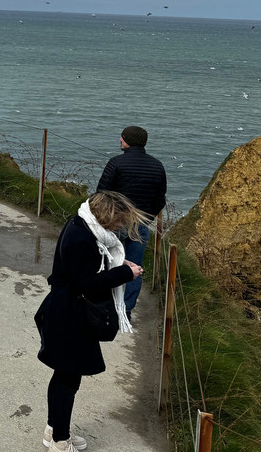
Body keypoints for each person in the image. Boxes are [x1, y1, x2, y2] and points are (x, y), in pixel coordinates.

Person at [35, 191, 149, 452]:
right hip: (70, 315)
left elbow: (85, 268)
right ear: (108, 216)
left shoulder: (81, 225)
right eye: (120, 220)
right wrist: (124, 273)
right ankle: (60, 442)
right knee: (68, 379)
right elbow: (86, 283)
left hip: (65, 310)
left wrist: (118, 263)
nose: (121, 226)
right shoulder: (83, 238)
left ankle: (54, 430)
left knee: (64, 375)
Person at [95, 125, 167, 318]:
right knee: (135, 267)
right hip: (140, 224)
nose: (120, 139)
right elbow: (160, 200)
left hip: (115, 223)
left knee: (108, 262)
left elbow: (102, 194)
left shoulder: (116, 163)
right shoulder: (157, 166)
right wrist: (147, 218)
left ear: (128, 140)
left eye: (122, 137)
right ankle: (126, 310)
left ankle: (106, 304)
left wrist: (104, 219)